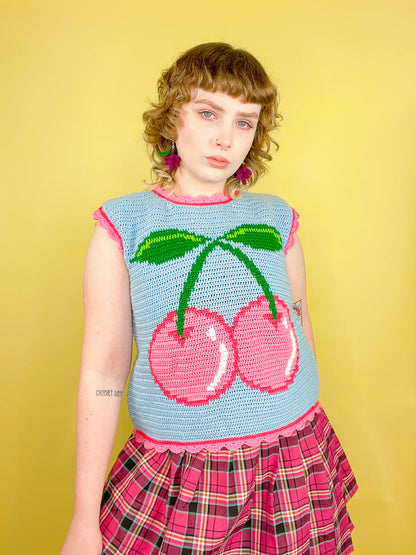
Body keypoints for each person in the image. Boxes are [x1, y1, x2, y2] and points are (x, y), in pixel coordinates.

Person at [60, 42, 357, 555]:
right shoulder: (124, 225)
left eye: (245, 122)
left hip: (291, 458)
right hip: (186, 469)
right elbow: (103, 375)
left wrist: (305, 437)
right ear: (173, 116)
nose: (226, 137)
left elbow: (299, 327)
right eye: (208, 112)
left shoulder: (276, 218)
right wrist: (85, 518)